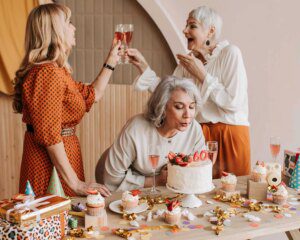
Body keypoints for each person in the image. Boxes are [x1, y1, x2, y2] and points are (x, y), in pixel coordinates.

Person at [126, 6, 250, 178]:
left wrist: (201, 74)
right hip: (198, 136)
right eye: (186, 26)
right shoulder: (187, 64)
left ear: (210, 31)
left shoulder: (230, 54)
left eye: (192, 26)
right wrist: (143, 66)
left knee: (234, 197)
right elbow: (168, 93)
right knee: (200, 192)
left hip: (230, 135)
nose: (185, 31)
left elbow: (233, 103)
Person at [13, 3, 119, 197]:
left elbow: (92, 95)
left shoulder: (56, 70)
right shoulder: (47, 73)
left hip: (63, 159)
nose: (74, 27)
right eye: (69, 22)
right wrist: (76, 183)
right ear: (55, 31)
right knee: (53, 222)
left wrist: (111, 60)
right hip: (49, 165)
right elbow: (50, 136)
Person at [103, 76, 206, 191]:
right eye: (179, 107)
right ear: (162, 107)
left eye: (191, 106)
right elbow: (112, 179)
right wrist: (157, 180)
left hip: (176, 195)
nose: (188, 114)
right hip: (136, 196)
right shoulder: (136, 129)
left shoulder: (194, 129)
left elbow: (200, 168)